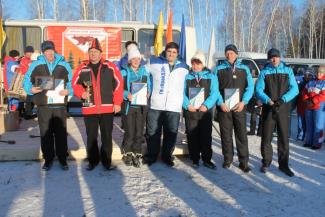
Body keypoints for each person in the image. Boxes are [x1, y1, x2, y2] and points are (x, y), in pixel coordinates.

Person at [72, 38, 123, 171]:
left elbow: (118, 84)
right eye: (91, 51)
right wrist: (81, 93)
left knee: (107, 137)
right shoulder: (82, 67)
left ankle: (107, 162)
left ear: (101, 53)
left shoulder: (110, 66)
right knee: (91, 137)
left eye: (96, 51)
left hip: (107, 109)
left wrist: (117, 103)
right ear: (88, 53)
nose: (93, 54)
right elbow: (74, 84)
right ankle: (93, 161)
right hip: (89, 109)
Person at [23, 40, 73, 171]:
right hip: (43, 105)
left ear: (54, 50)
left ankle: (63, 159)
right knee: (45, 134)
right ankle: (48, 159)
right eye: (46, 51)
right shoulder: (36, 64)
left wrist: (69, 91)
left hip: (59, 106)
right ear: (43, 52)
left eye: (51, 50)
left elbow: (71, 82)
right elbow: (26, 80)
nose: (49, 53)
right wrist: (30, 89)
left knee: (61, 133)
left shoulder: (64, 65)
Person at [144, 42, 189, 167]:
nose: (171, 54)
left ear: (177, 53)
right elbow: (143, 72)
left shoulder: (184, 67)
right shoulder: (154, 62)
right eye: (169, 51)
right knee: (153, 131)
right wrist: (148, 87)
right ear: (165, 51)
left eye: (174, 52)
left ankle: (167, 156)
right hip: (156, 104)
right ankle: (152, 156)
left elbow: (189, 84)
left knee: (171, 132)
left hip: (174, 106)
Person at [256, 48, 298, 177]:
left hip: (283, 107)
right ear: (269, 59)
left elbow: (295, 89)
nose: (274, 59)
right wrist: (267, 100)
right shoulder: (264, 72)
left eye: (276, 57)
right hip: (269, 107)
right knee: (266, 136)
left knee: (283, 137)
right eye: (271, 57)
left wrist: (283, 99)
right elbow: (258, 90)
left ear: (280, 57)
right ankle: (266, 162)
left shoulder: (288, 70)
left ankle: (284, 165)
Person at [214, 44, 254, 173]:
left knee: (241, 135)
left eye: (232, 52)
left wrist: (244, 102)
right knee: (226, 135)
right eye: (227, 53)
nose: (229, 55)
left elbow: (250, 87)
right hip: (224, 108)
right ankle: (228, 159)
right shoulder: (218, 69)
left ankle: (244, 162)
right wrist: (220, 103)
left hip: (239, 108)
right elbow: (214, 88)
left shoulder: (244, 69)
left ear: (236, 54)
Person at [183, 50, 220, 169]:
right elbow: (181, 93)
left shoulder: (211, 76)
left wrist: (206, 105)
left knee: (206, 135)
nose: (195, 66)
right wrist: (187, 105)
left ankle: (207, 159)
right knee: (192, 135)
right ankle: (195, 158)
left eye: (198, 63)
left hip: (205, 112)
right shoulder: (187, 76)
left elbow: (214, 93)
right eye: (193, 63)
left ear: (203, 64)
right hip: (191, 111)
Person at [120, 48, 151, 168]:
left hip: (141, 107)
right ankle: (128, 153)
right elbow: (118, 88)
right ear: (129, 60)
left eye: (138, 58)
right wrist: (126, 94)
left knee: (139, 131)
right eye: (133, 58)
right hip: (129, 106)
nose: (136, 61)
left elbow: (149, 85)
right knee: (129, 131)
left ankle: (137, 153)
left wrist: (148, 92)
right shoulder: (124, 72)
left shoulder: (144, 72)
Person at [302, 65, 325, 149]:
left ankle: (317, 143)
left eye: (321, 72)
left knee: (318, 125)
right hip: (309, 106)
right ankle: (309, 141)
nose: (319, 74)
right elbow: (304, 91)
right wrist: (306, 100)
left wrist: (313, 101)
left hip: (319, 106)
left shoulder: (324, 82)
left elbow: (323, 95)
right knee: (309, 124)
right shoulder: (311, 82)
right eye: (318, 72)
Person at [295, 68, 315, 142]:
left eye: (309, 75)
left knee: (310, 121)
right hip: (301, 105)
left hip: (309, 105)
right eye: (306, 74)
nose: (307, 76)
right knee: (300, 121)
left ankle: (309, 136)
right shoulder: (300, 81)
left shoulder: (314, 82)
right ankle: (300, 135)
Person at [20, 46, 36, 119]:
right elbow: (24, 71)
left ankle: (28, 113)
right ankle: (27, 113)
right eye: (28, 52)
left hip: (33, 81)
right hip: (27, 81)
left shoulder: (33, 59)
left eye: (31, 52)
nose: (29, 54)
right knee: (28, 98)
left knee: (30, 98)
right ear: (25, 53)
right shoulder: (24, 60)